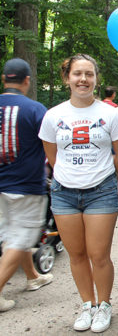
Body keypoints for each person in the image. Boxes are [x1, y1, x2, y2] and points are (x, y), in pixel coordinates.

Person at [38, 54, 118, 332]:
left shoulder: (110, 114)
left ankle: (104, 305)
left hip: (101, 192)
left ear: (96, 79)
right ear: (67, 78)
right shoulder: (53, 116)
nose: (83, 79)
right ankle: (87, 304)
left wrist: (106, 182)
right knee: (76, 255)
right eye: (77, 74)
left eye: (89, 74)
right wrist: (69, 177)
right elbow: (52, 155)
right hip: (64, 193)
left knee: (98, 255)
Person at [0, 58, 54, 312]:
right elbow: (50, 145)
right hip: (27, 186)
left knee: (13, 235)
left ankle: (33, 277)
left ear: (3, 79)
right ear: (27, 81)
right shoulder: (35, 110)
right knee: (20, 238)